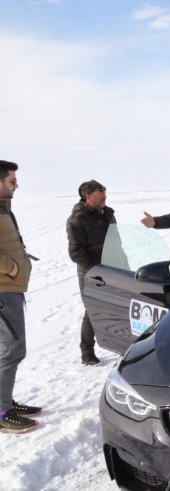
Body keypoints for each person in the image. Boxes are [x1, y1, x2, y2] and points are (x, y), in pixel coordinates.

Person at [0, 160, 42, 433]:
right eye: (12, 181)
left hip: (10, 288)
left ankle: (5, 401)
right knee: (12, 349)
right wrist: (12, 268)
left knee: (8, 349)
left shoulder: (3, 209)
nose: (17, 185)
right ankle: (2, 412)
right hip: (4, 290)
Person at [66, 180, 116, 366]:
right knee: (93, 310)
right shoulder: (77, 219)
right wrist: (97, 269)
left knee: (121, 304)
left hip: (114, 269)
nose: (104, 194)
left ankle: (121, 342)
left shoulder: (109, 214)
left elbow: (116, 242)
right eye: (99, 191)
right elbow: (76, 252)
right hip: (91, 273)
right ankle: (87, 351)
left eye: (104, 189)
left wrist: (123, 263)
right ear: (88, 196)